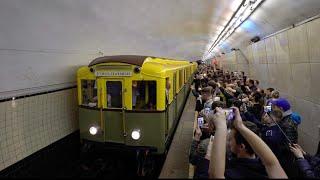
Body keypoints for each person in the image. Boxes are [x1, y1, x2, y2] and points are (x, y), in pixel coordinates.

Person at [209, 107, 287, 178]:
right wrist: (240, 126)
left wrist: (221, 127)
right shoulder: (263, 168)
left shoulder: (233, 173)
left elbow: (215, 176)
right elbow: (272, 164)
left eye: (230, 139)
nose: (228, 142)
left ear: (242, 147)